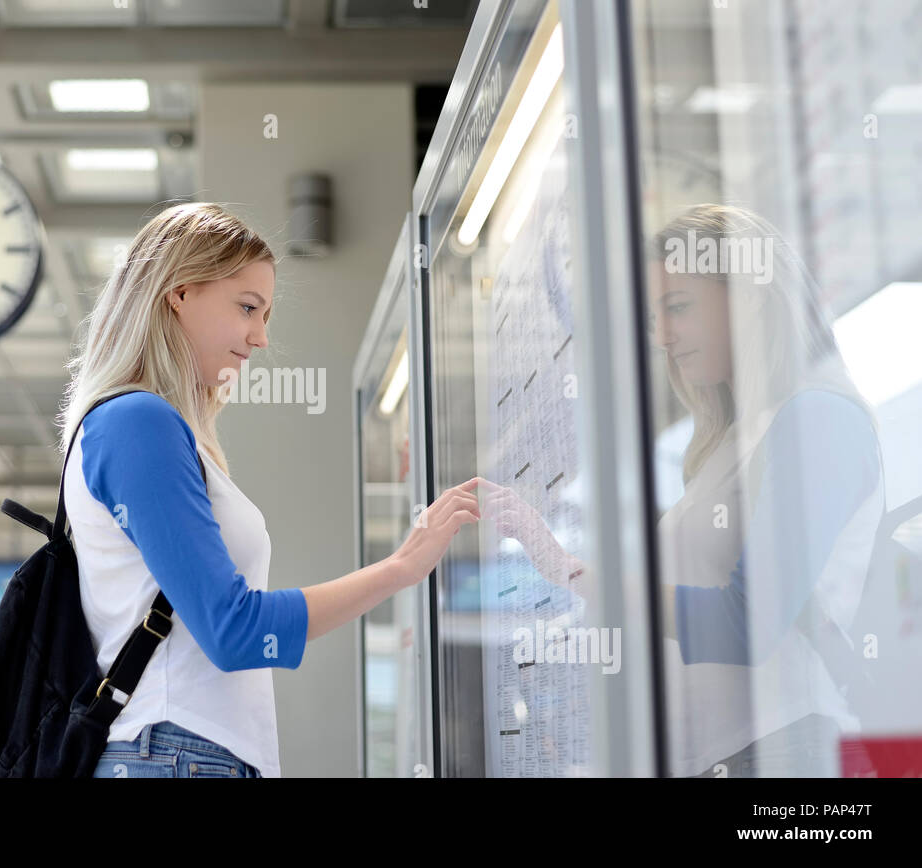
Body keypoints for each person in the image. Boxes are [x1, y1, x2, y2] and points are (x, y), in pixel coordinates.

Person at [55, 202, 483, 778]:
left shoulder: (155, 428)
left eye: (265, 315)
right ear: (179, 293)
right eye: (247, 308)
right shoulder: (138, 423)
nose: (259, 338)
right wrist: (400, 568)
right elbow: (232, 633)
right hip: (173, 755)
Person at [479, 204, 884, 777]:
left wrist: (568, 570)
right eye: (653, 316)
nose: (663, 337)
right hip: (723, 757)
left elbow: (749, 622)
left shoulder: (818, 416)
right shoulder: (732, 441)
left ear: (749, 294)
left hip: (788, 753)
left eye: (678, 307)